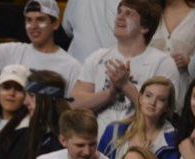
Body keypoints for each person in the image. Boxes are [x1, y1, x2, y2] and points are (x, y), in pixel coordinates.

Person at [71, 0, 179, 137]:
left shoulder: (163, 63)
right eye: (119, 12)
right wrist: (109, 94)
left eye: (129, 13)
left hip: (140, 147)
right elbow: (74, 104)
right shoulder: (98, 57)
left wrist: (125, 86)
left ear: (145, 27)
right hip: (97, 145)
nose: (120, 17)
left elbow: (164, 114)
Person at [0, 0, 79, 95]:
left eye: (40, 19)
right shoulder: (13, 51)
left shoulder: (71, 65)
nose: (33, 26)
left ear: (55, 24)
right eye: (28, 20)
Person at [98, 77, 179, 159]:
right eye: (148, 96)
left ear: (167, 107)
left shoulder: (172, 139)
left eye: (161, 99)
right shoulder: (114, 131)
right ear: (140, 98)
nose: (153, 102)